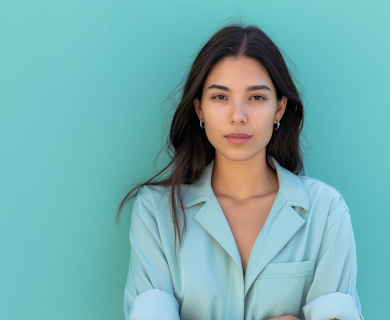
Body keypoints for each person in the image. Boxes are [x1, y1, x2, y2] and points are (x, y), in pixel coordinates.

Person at [115, 23, 363, 320]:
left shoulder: (325, 211)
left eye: (256, 97)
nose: (238, 116)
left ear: (279, 109)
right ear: (199, 109)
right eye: (220, 97)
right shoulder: (155, 213)